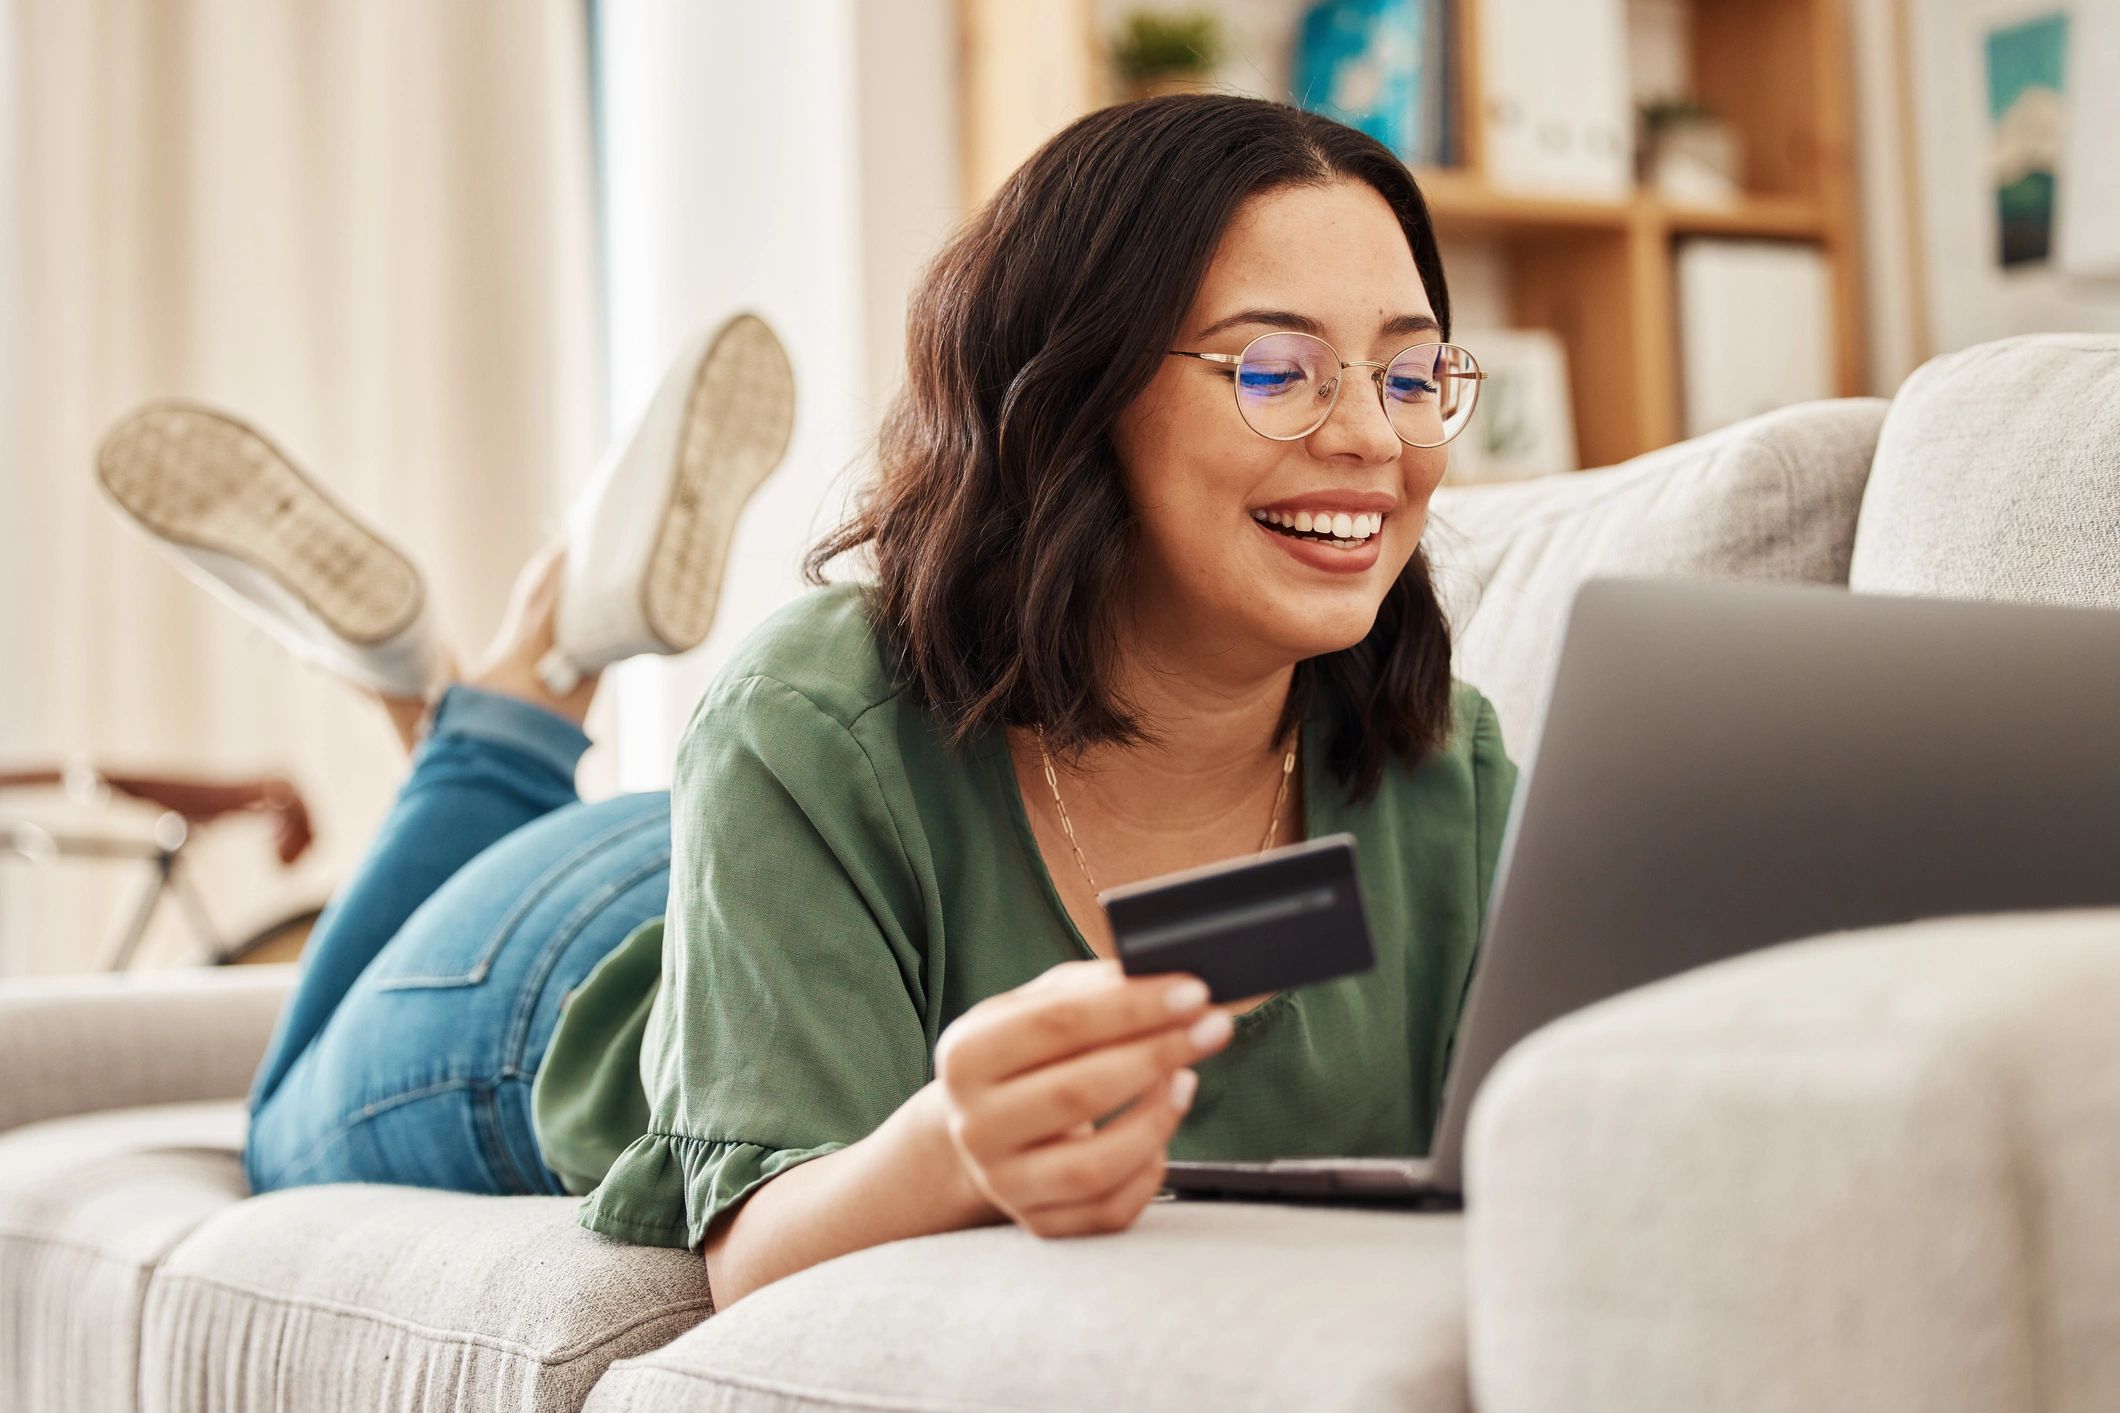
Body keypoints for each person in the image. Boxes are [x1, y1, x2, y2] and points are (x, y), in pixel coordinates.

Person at [100, 93, 1516, 1315]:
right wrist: (953, 1150)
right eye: (1276, 370)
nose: (1372, 439)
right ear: (1071, 394)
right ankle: (497, 709)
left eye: (1409, 372)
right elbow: (754, 1258)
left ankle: (480, 675)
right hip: (561, 962)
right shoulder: (813, 710)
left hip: (783, 865)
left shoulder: (1448, 765)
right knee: (281, 1123)